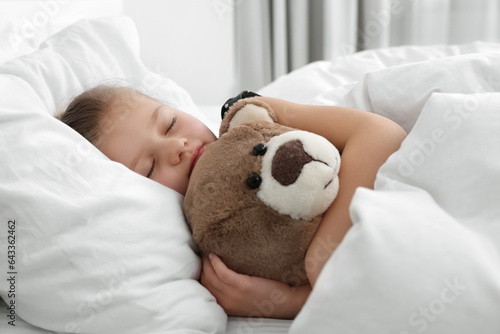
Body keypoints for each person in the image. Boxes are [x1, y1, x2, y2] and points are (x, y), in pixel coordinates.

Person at [58, 84, 407, 319]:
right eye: (149, 167)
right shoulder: (210, 242)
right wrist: (280, 301)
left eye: (170, 123)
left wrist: (319, 263)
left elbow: (382, 133)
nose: (176, 146)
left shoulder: (256, 118)